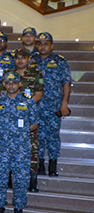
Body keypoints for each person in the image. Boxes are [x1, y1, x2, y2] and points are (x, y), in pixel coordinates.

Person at [0, 72, 38, 213]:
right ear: (4, 84)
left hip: (21, 148)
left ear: (20, 84)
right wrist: (5, 134)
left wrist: (20, 134)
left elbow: (34, 123)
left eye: (14, 82)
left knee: (21, 180)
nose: (11, 85)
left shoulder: (28, 102)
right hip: (1, 147)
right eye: (8, 82)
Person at [32, 32, 72, 177]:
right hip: (36, 106)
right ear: (37, 45)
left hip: (54, 105)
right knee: (38, 136)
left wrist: (64, 103)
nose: (43, 46)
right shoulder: (32, 60)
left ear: (52, 45)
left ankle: (53, 164)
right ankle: (40, 163)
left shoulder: (60, 61)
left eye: (46, 43)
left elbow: (66, 83)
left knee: (53, 135)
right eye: (40, 43)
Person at [7, 48, 44, 191]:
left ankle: (32, 178)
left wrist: (23, 106)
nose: (20, 60)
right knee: (10, 147)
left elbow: (39, 94)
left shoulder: (35, 74)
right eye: (17, 58)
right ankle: (10, 177)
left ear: (29, 59)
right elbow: (3, 92)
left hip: (28, 114)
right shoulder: (9, 74)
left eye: (23, 57)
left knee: (31, 147)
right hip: (10, 116)